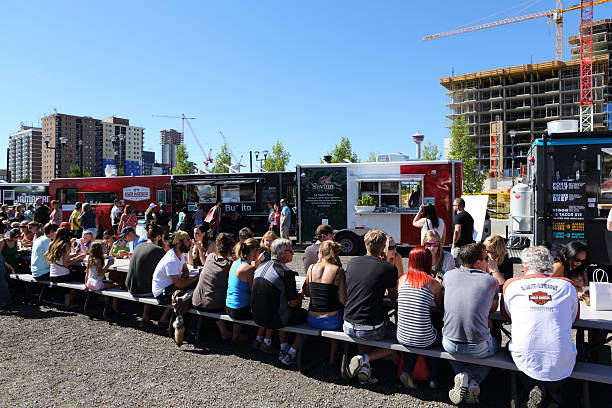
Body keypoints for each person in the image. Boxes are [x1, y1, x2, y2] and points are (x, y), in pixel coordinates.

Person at [502, 246, 579, 408]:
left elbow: (507, 315)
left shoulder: (511, 285)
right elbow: (574, 318)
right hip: (560, 360)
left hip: (524, 358)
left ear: (526, 266)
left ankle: (535, 389)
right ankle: (552, 397)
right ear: (550, 264)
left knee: (517, 352)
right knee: (566, 357)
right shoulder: (567, 285)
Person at [442, 243, 499, 405]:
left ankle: (465, 381)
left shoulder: (449, 275)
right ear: (477, 263)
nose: (488, 261)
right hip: (477, 346)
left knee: (458, 349)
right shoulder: (490, 281)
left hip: (448, 343)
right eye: (486, 259)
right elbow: (492, 309)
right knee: (497, 346)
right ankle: (469, 378)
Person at [344, 229, 398, 385]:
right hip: (369, 328)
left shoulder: (352, 262)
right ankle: (365, 359)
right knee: (403, 337)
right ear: (383, 248)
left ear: (365, 244)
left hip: (347, 323)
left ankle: (365, 369)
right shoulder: (388, 268)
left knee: (365, 323)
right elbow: (394, 296)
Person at [251, 238, 306, 366]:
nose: (293, 253)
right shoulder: (286, 272)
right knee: (308, 316)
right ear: (281, 254)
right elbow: (292, 303)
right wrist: (302, 294)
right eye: (290, 251)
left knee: (280, 306)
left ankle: (282, 345)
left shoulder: (261, 266)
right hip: (274, 320)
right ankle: (291, 353)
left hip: (256, 317)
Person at [397, 246, 443, 390]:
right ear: (427, 261)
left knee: (415, 333)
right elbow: (440, 306)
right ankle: (433, 379)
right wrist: (439, 285)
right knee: (440, 336)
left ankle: (407, 371)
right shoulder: (432, 282)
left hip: (402, 336)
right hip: (424, 339)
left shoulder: (402, 279)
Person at [302, 240, 346, 364]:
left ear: (320, 253)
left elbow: (307, 292)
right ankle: (332, 358)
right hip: (331, 321)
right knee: (340, 314)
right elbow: (343, 300)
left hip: (312, 318)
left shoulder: (311, 268)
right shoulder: (339, 271)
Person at [226, 238, 270, 344]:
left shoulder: (235, 262)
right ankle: (262, 339)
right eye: (259, 250)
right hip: (239, 310)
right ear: (255, 250)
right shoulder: (248, 268)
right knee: (269, 310)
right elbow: (253, 292)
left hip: (228, 306)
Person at [192, 233, 235, 340]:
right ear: (230, 249)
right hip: (212, 305)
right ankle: (226, 332)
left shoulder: (211, 257)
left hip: (196, 301)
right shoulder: (229, 265)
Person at [126, 224, 167, 326]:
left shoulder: (138, 246)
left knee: (147, 280)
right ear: (158, 237)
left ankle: (145, 317)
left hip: (131, 288)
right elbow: (168, 269)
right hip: (144, 291)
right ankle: (163, 319)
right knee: (172, 290)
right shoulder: (158, 250)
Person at [151, 231, 199, 312]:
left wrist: (185, 277)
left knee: (195, 286)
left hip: (170, 287)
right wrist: (195, 278)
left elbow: (185, 270)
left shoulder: (180, 254)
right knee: (196, 287)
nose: (190, 242)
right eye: (187, 240)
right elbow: (180, 285)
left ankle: (167, 318)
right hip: (162, 294)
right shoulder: (171, 260)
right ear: (179, 243)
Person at [46, 227, 87, 307]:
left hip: (52, 275)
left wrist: (75, 255)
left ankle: (64, 298)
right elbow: (65, 263)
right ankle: (69, 301)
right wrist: (77, 258)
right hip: (62, 276)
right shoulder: (65, 245)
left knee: (76, 274)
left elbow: (61, 258)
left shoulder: (52, 244)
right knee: (81, 276)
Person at [84, 242, 117, 317]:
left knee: (109, 283)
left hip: (90, 282)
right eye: (104, 247)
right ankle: (113, 307)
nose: (105, 248)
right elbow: (100, 274)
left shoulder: (91, 258)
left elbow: (87, 273)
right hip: (97, 284)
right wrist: (108, 265)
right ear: (99, 250)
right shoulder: (98, 260)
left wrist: (86, 285)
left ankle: (106, 304)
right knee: (116, 286)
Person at [451, 198, 475, 266]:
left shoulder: (458, 217)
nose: (453, 207)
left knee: (456, 266)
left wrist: (453, 244)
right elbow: (473, 230)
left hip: (459, 247)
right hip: (469, 246)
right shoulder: (469, 216)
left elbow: (457, 231)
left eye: (454, 205)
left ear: (457, 206)